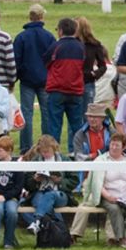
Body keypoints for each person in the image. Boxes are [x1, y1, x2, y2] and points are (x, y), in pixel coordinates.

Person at [81, 132, 126, 248]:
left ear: (123, 147)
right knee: (115, 209)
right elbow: (97, 183)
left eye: (117, 146)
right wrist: (108, 196)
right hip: (107, 196)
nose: (114, 148)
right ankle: (121, 238)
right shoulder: (101, 160)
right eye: (112, 145)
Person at [12, 4, 55, 149]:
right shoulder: (49, 36)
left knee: (26, 114)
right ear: (42, 17)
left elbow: (16, 60)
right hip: (45, 80)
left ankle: (25, 147)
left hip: (27, 81)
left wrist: (18, 76)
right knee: (46, 114)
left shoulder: (21, 37)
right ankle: (47, 145)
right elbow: (53, 59)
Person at [44, 18, 86, 151]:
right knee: (77, 126)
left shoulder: (56, 46)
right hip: (76, 91)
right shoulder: (81, 47)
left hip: (57, 90)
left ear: (61, 31)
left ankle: (53, 156)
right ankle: (78, 154)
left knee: (54, 127)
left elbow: (46, 62)